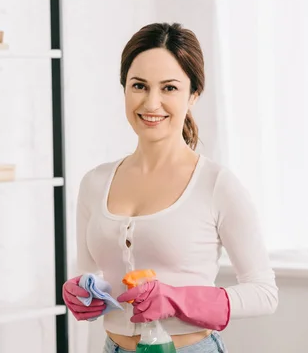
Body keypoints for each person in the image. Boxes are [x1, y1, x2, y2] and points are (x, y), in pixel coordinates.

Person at [62, 22, 278, 353]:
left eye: (169, 88)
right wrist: (84, 294)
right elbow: (93, 276)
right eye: (139, 86)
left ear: (193, 94)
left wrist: (178, 300)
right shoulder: (94, 183)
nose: (151, 103)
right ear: (124, 89)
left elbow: (263, 293)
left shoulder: (216, 184)